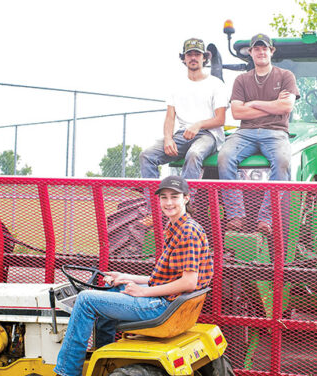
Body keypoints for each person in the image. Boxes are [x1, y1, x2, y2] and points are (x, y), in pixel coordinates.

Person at [53, 175, 213, 376]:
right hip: (171, 302)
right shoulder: (178, 227)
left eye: (174, 196)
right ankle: (105, 356)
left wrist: (142, 293)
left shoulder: (187, 232)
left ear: (186, 198)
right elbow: (170, 277)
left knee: (85, 300)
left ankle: (66, 372)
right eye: (164, 197)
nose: (169, 202)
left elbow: (189, 282)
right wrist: (128, 277)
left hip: (163, 306)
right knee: (113, 287)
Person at [217, 33, 299, 236]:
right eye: (257, 49)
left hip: (276, 132)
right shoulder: (242, 80)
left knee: (282, 161)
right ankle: (236, 215)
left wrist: (252, 104)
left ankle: (266, 218)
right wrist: (274, 106)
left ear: (271, 52)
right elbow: (237, 112)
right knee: (224, 157)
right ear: (251, 53)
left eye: (265, 48)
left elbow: (287, 106)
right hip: (246, 133)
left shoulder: (285, 76)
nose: (261, 52)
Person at [140, 38, 229, 180]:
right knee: (147, 155)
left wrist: (198, 125)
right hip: (181, 135)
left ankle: (187, 200)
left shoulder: (216, 84)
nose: (193, 58)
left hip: (208, 135)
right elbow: (170, 117)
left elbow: (220, 119)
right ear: (184, 58)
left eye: (197, 54)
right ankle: (154, 201)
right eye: (189, 54)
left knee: (194, 154)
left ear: (204, 58)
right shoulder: (176, 85)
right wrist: (168, 139)